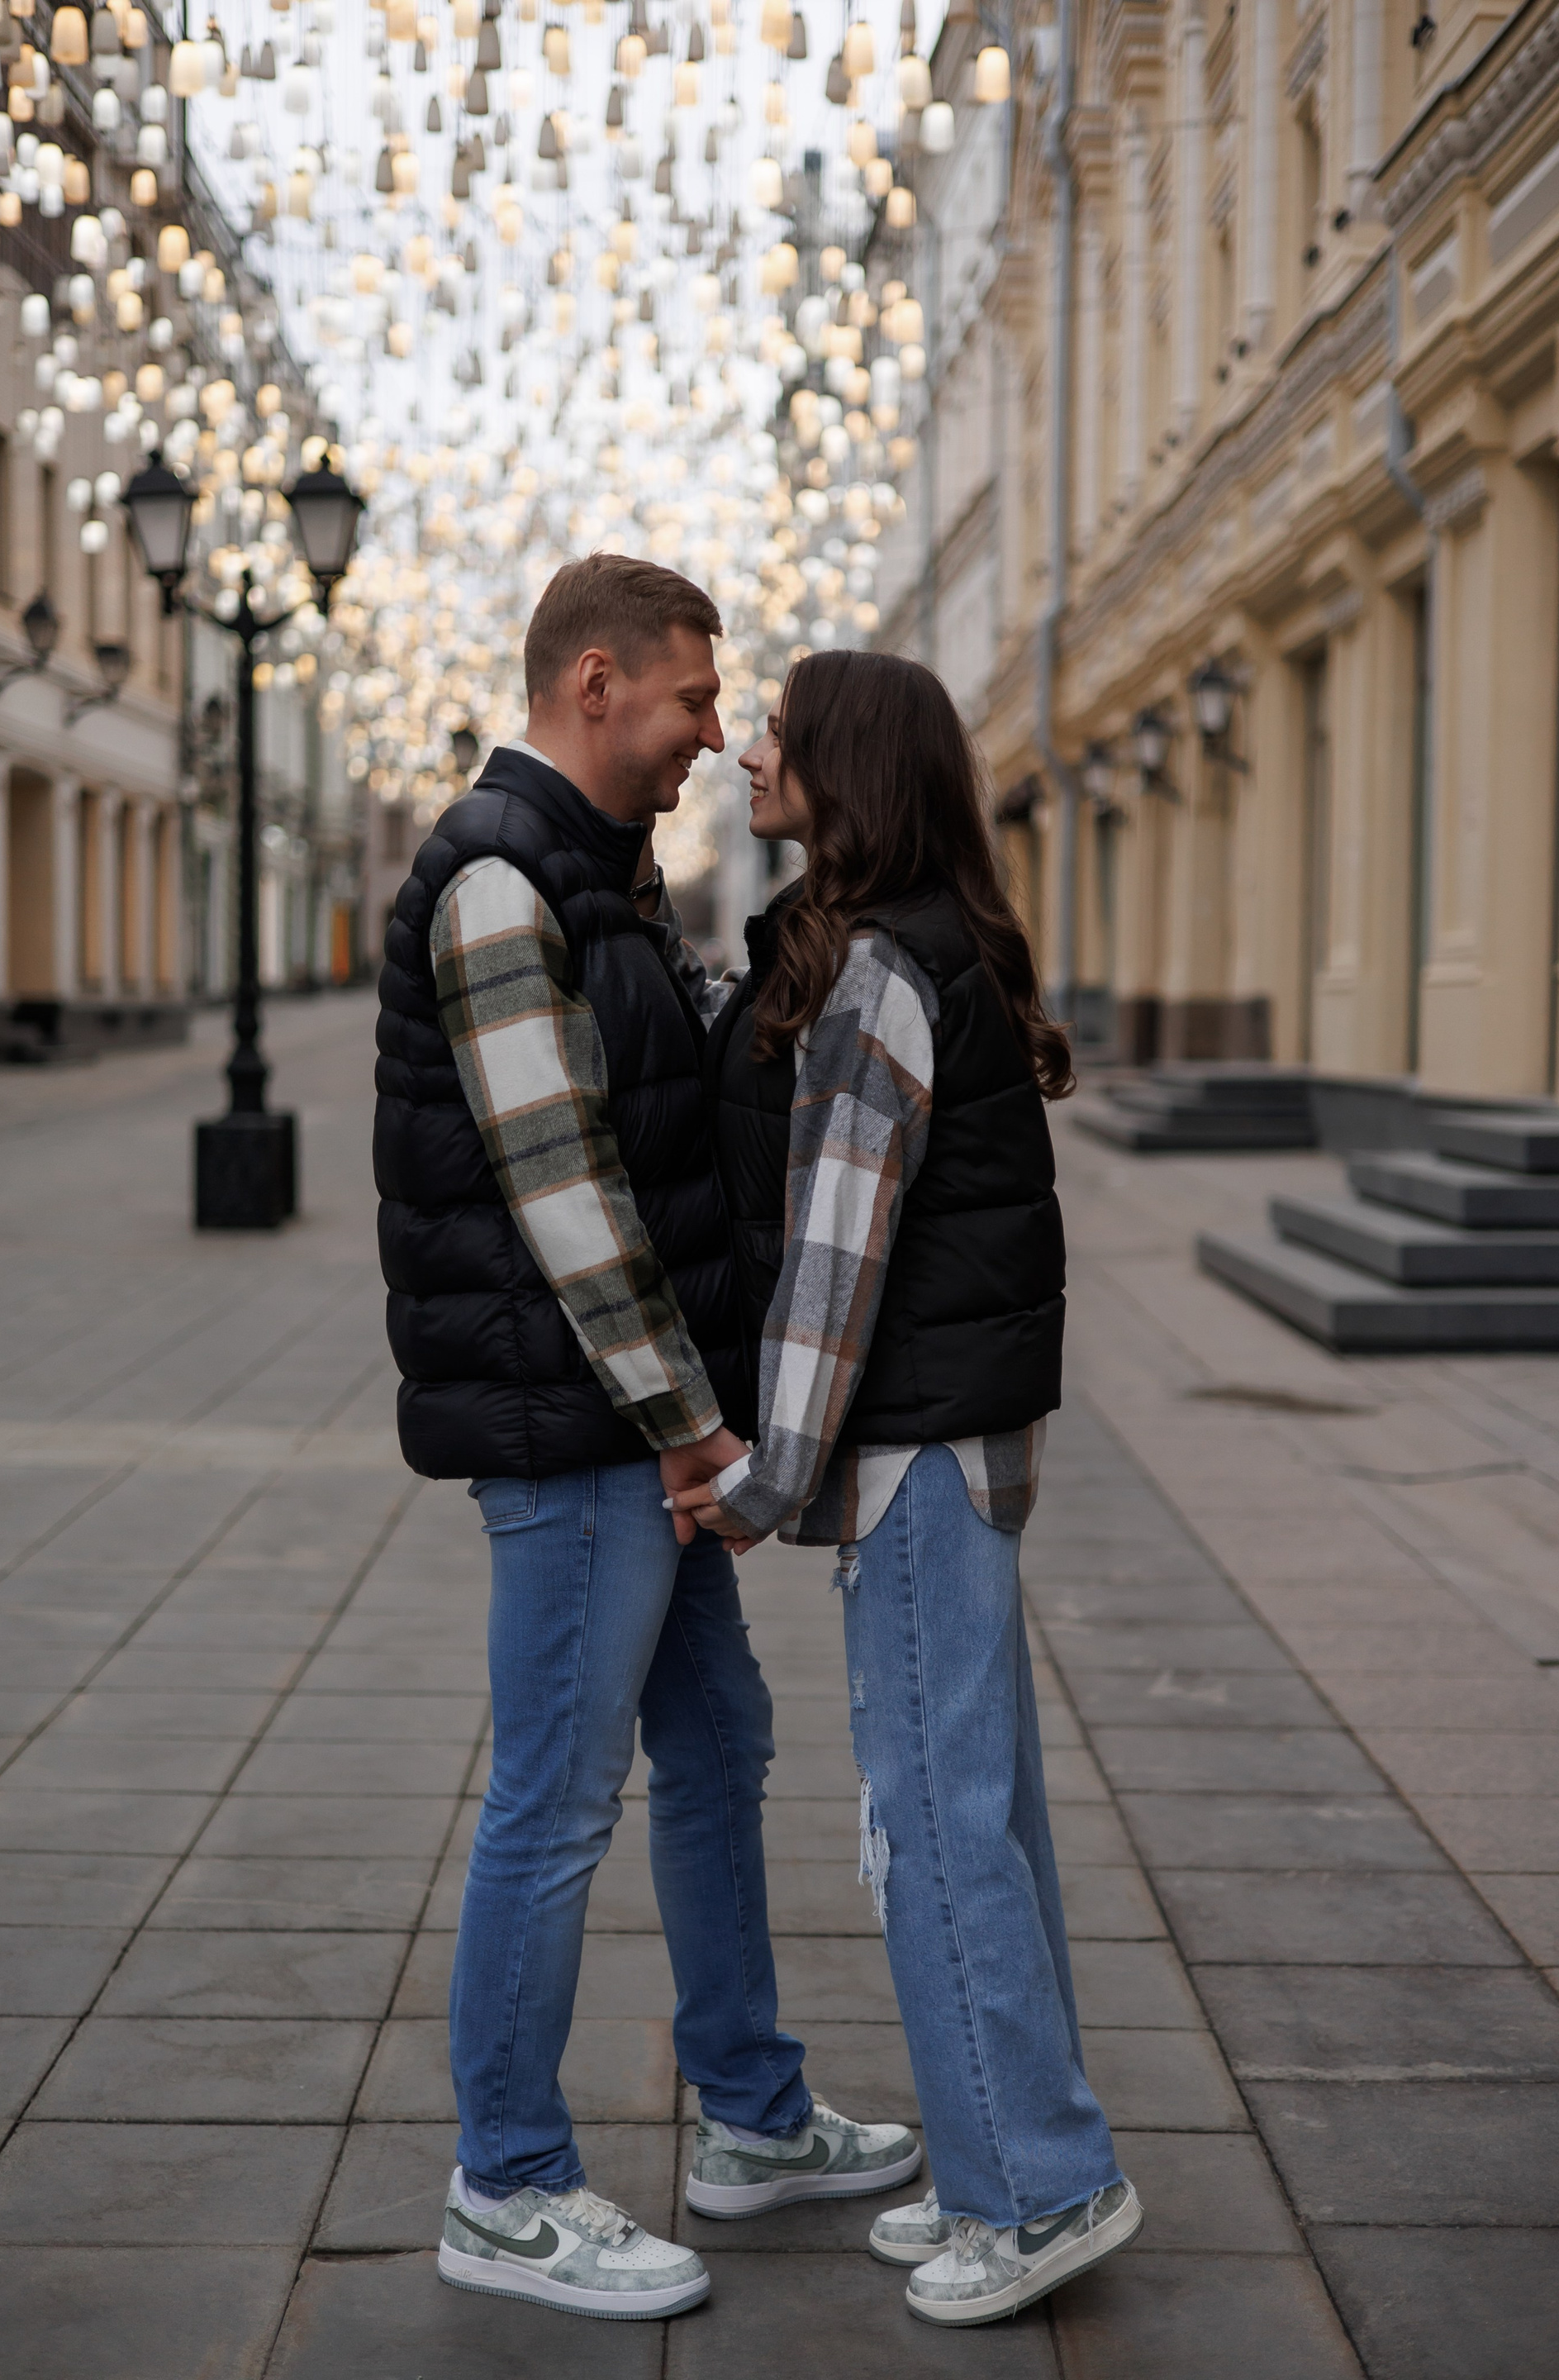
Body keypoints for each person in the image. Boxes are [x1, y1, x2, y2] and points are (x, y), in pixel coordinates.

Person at [373, 557, 919, 2325]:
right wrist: (696, 1428)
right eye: (694, 697)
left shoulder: (598, 875)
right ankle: (507, 2184)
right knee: (552, 1801)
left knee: (720, 1739)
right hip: (583, 1432)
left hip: (628, 1418)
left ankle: (749, 2115)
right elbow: (566, 1192)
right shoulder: (497, 880)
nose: (712, 732)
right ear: (595, 682)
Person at [672, 649, 1143, 2328]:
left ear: (850, 771)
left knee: (932, 1826)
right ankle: (1007, 2154)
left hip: (919, 1458)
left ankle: (1041, 2189)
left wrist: (766, 1479)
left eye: (779, 733)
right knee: (977, 1815)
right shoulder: (920, 941)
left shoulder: (880, 971)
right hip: (963, 1445)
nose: (751, 752)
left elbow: (834, 1263)